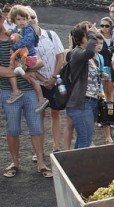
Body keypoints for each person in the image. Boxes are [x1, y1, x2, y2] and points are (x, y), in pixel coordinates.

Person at [0, 11, 52, 178]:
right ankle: (15, 163)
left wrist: (26, 68)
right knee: (13, 128)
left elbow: (40, 62)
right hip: (8, 91)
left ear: (2, 18)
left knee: (36, 127)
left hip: (29, 91)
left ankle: (41, 163)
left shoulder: (18, 33)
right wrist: (21, 72)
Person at [26, 7, 64, 156]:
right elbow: (27, 66)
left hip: (54, 81)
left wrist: (53, 78)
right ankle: (39, 151)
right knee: (39, 117)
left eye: (33, 17)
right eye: (27, 18)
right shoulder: (25, 41)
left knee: (56, 114)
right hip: (39, 85)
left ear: (37, 18)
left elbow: (60, 56)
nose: (31, 20)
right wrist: (44, 80)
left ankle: (56, 147)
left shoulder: (51, 34)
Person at [6, 5, 48, 111]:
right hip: (24, 57)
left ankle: (20, 92)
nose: (22, 21)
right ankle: (40, 96)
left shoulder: (28, 29)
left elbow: (27, 40)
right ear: (13, 20)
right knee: (31, 77)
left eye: (24, 19)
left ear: (27, 19)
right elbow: (14, 34)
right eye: (19, 19)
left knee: (19, 70)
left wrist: (15, 46)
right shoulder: (17, 28)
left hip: (29, 57)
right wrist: (9, 33)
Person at [65, 21, 100, 149]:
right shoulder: (76, 53)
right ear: (81, 38)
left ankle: (75, 167)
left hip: (90, 102)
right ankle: (76, 168)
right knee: (85, 140)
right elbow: (90, 52)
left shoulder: (92, 59)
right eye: (88, 36)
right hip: (81, 103)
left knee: (85, 139)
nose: (93, 39)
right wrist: (92, 32)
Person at [94, 33, 114, 144]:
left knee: (106, 111)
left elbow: (101, 72)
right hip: (91, 90)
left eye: (101, 43)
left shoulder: (101, 57)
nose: (99, 45)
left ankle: (108, 137)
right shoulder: (88, 56)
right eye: (97, 43)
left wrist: (104, 75)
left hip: (99, 89)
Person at [98, 17, 114, 101]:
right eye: (102, 25)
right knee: (101, 91)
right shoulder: (97, 37)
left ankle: (109, 112)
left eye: (107, 26)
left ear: (111, 26)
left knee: (110, 92)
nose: (104, 28)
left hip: (111, 67)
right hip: (100, 66)